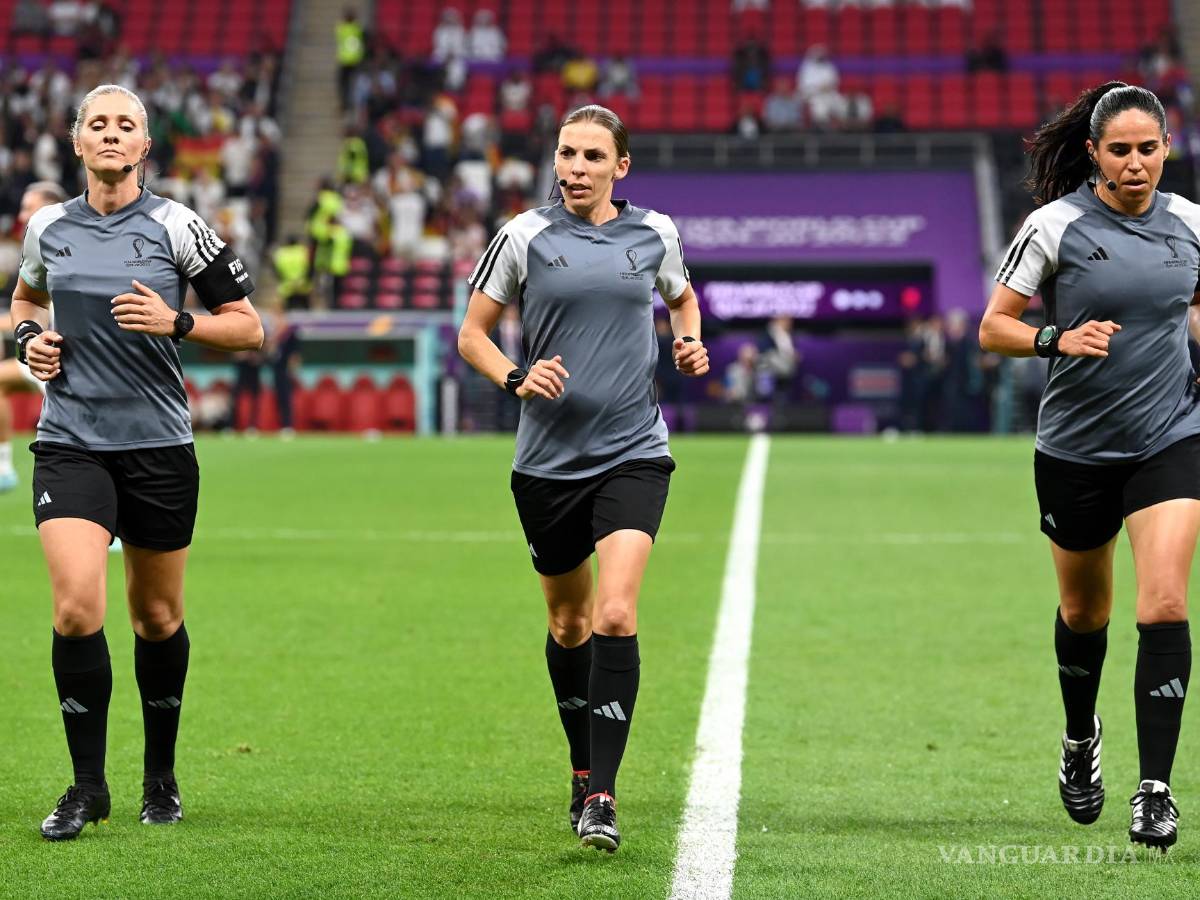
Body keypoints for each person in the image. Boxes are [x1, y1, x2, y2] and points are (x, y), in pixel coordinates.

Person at [11, 84, 262, 841]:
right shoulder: (47, 226)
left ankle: (161, 775)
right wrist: (29, 344)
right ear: (76, 141)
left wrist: (176, 320)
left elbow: (250, 329)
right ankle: (87, 786)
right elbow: (23, 304)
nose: (112, 135)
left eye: (127, 125)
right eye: (99, 124)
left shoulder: (179, 227)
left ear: (145, 147)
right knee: (75, 607)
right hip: (71, 441)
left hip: (157, 446)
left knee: (156, 617)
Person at [457, 104, 708, 853]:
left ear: (619, 167)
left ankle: (602, 793)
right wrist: (514, 377)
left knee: (616, 613)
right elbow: (472, 333)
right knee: (568, 624)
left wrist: (689, 341)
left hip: (634, 451)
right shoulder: (523, 236)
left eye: (592, 156)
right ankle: (579, 763)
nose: (575, 168)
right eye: (566, 153)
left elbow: (683, 297)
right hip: (546, 464)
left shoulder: (654, 232)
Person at [979, 82, 1200, 851]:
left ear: (1167, 148)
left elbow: (1191, 307)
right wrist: (1055, 339)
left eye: (1149, 148)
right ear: (1094, 154)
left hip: (1171, 435)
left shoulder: (1193, 227)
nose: (1136, 163)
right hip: (1076, 447)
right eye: (1121, 150)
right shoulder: (1056, 225)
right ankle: (1080, 737)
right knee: (1085, 614)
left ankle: (1156, 789)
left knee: (1165, 604)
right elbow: (993, 327)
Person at [0, 181, 68, 492]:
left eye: (30, 206)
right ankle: (3, 468)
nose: (23, 213)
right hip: (43, 354)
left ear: (49, 208)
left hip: (71, 359)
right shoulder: (35, 248)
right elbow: (27, 306)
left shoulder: (66, 246)